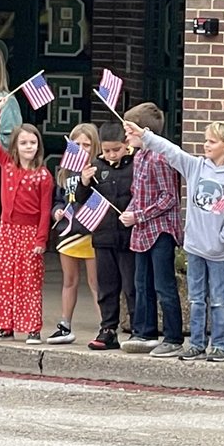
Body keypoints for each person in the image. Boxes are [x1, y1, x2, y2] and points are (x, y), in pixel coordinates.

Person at [125, 118, 224, 362]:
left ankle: (220, 345)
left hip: (219, 252)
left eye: (212, 141)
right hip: (194, 247)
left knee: (220, 300)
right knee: (196, 299)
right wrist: (145, 134)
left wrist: (223, 237)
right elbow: (171, 150)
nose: (206, 145)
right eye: (206, 140)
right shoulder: (195, 167)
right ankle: (197, 344)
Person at [0, 95, 52, 344]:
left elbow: (45, 211)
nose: (28, 147)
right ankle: (5, 325)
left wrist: (41, 239)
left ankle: (33, 328)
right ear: (14, 146)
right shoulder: (7, 165)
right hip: (7, 230)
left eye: (33, 142)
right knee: (4, 279)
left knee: (29, 281)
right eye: (23, 143)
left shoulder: (43, 176)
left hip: (30, 232)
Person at [118, 102, 184, 357]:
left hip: (160, 231)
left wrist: (139, 215)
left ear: (144, 131)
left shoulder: (160, 158)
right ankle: (144, 332)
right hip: (141, 230)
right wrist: (130, 212)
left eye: (129, 131)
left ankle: (173, 336)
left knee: (163, 284)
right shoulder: (139, 157)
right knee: (141, 282)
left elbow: (169, 197)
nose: (126, 136)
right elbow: (138, 193)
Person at [47, 122, 102, 346]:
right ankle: (65, 325)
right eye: (77, 144)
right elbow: (58, 199)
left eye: (86, 145)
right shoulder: (65, 171)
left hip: (90, 232)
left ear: (95, 146)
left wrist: (87, 182)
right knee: (69, 281)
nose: (81, 148)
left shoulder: (99, 168)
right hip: (67, 231)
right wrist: (56, 212)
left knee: (96, 282)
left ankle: (105, 326)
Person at [85, 122, 135, 351]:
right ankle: (108, 329)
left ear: (126, 145)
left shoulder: (135, 164)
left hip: (129, 236)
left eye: (117, 149)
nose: (112, 155)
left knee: (131, 286)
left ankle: (137, 328)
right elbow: (80, 199)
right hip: (104, 236)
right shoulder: (95, 166)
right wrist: (84, 182)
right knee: (107, 286)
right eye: (107, 151)